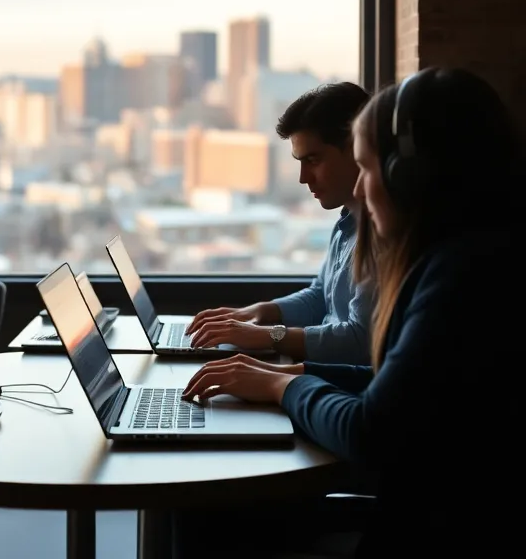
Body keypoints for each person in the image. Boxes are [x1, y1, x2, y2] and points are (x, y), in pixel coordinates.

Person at [178, 68, 518, 557]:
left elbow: (371, 431)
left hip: (434, 528)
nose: (360, 192)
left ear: (410, 176)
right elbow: (391, 388)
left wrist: (283, 382)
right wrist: (296, 368)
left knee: (205, 511)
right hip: (433, 508)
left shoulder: (459, 279)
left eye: (369, 168)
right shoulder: (467, 258)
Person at [187, 83, 374, 363]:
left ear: (356, 148)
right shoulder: (347, 223)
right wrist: (257, 312)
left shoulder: (382, 235)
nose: (303, 178)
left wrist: (269, 336)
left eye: (313, 160)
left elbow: (361, 341)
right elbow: (319, 296)